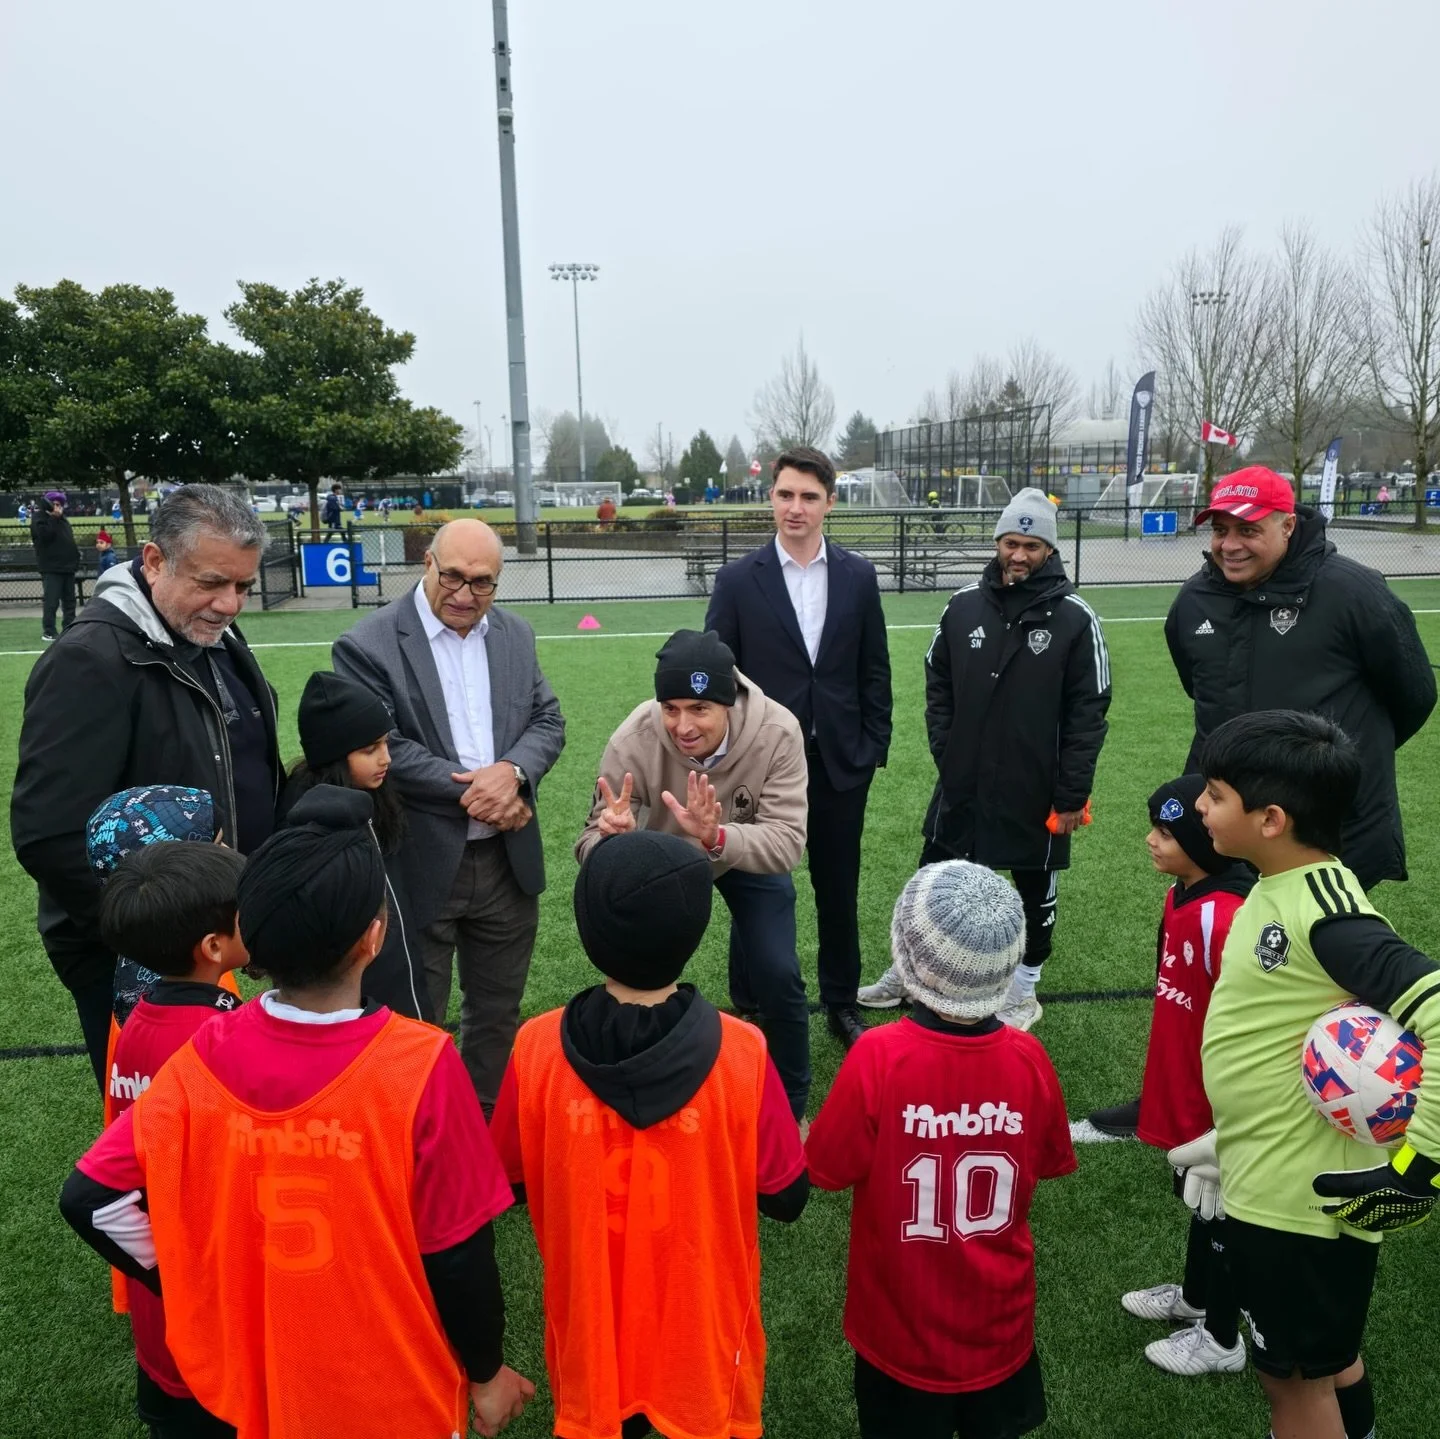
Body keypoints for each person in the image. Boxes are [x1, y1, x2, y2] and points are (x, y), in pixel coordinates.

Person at [59, 787, 535, 1439]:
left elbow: (90, 1193)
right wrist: (486, 1374)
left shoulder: (201, 1049)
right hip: (391, 1390)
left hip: (252, 1383)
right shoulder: (422, 1062)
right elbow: (457, 1252)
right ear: (374, 936)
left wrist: (188, 1278)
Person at [490, 830, 808, 1439]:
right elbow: (787, 1197)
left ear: (586, 925)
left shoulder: (536, 1047)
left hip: (590, 1342)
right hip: (701, 1345)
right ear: (694, 932)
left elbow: (510, 1180)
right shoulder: (743, 1051)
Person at [1189, 710, 1440, 1439]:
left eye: (1215, 793)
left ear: (1270, 818)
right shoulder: (1277, 884)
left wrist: (1418, 1165)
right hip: (1272, 1172)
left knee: (1292, 1386)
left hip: (1297, 1204)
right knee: (1329, 1362)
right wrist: (1230, 1135)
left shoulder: (1327, 912)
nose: (1201, 806)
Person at [13, 484, 282, 1088]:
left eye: (242, 585)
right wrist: (162, 938)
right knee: (159, 1125)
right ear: (154, 561)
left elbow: (247, 767)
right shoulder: (88, 659)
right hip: (146, 954)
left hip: (216, 943)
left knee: (227, 1115)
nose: (230, 603)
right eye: (212, 582)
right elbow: (48, 833)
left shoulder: (209, 634)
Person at [806, 860, 1077, 1439]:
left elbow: (825, 1170)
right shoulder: (1030, 1061)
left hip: (897, 1329)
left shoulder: (879, 1058)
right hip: (999, 1323)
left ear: (907, 958)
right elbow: (1049, 1161)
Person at [858, 488, 1111, 1031]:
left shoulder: (1074, 618)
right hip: (963, 780)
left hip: (1035, 787)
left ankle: (1023, 988)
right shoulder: (964, 605)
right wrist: (948, 749)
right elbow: (937, 680)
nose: (1019, 555)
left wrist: (1071, 794)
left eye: (1032, 546)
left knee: (1034, 887)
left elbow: (1090, 713)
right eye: (1011, 543)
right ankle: (911, 972)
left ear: (1050, 549)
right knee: (934, 879)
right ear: (998, 542)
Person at [332, 518, 565, 1109]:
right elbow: (383, 745)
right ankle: (417, 1137)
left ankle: (483, 1134)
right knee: (415, 1015)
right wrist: (481, 789)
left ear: (500, 581)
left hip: (506, 863)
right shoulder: (367, 643)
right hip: (418, 860)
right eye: (453, 576)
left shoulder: (515, 635)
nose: (464, 595)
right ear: (427, 563)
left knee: (497, 1013)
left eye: (482, 583)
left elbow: (548, 721)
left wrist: (511, 775)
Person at [1164, 466, 1434, 891]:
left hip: (1326, 823)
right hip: (1229, 820)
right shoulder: (1194, 600)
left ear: (1287, 525)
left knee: (1316, 948)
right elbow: (1199, 691)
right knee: (1233, 944)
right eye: (1220, 530)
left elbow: (1415, 695)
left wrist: (1331, 760)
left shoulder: (1353, 591)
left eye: (1247, 530)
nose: (1229, 545)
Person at [577, 628, 811, 1118]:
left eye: (699, 708)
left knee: (778, 972)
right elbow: (588, 841)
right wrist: (610, 840)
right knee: (639, 974)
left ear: (728, 703)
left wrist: (717, 837)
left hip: (738, 850)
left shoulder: (778, 731)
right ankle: (635, 1081)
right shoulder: (634, 737)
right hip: (663, 865)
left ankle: (791, 1104)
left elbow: (787, 842)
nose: (682, 725)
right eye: (671, 707)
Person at [706, 445, 892, 1049]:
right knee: (755, 879)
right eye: (786, 494)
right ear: (771, 498)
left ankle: (842, 1001)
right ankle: (751, 1001)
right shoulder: (737, 581)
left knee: (838, 888)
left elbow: (874, 671)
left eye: (809, 496)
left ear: (830, 503)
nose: (796, 507)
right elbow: (717, 677)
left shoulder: (859, 576)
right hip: (759, 767)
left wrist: (871, 749)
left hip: (841, 761)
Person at [87, 842, 249, 1439]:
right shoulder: (218, 1039)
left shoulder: (135, 1024)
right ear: (213, 949)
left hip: (163, 1300)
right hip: (213, 1303)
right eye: (245, 914)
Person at [1095, 776, 1254, 1376]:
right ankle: (1195, 1299)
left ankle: (1222, 1338)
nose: (1151, 842)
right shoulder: (1180, 897)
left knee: (1224, 1205)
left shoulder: (1229, 914)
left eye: (1168, 833)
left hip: (1218, 1094)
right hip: (1180, 1078)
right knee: (1201, 1197)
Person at [280, 670, 425, 1018]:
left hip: (395, 967)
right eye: (369, 749)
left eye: (386, 743)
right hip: (351, 988)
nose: (386, 758)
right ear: (333, 754)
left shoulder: (376, 799)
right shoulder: (311, 823)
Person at [31, 488, 80, 641]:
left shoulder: (63, 520)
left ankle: (69, 628)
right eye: (55, 503)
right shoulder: (39, 519)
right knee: (51, 601)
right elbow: (44, 537)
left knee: (70, 601)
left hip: (68, 567)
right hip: (52, 567)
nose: (58, 507)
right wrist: (53, 518)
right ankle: (49, 631)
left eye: (60, 504)